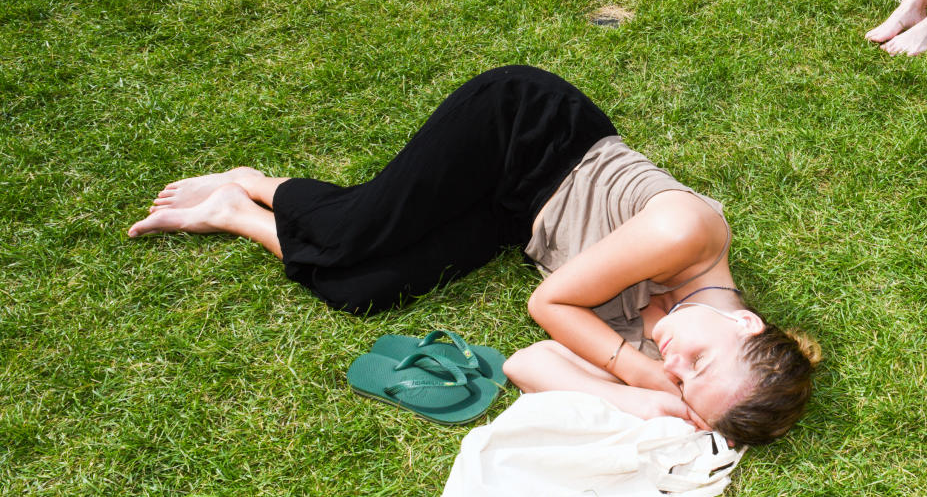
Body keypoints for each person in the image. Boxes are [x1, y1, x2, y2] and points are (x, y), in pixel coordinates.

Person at [128, 66, 818, 446]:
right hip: (525, 134)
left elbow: (527, 361)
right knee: (351, 234)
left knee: (360, 288)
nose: (673, 364)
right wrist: (637, 371)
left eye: (682, 380)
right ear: (745, 325)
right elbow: (547, 305)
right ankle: (257, 183)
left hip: (515, 215)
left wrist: (635, 403)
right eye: (696, 362)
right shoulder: (688, 235)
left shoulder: (659, 347)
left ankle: (230, 215)